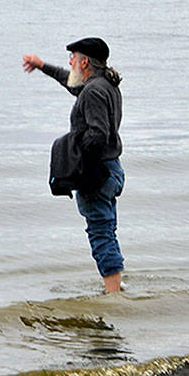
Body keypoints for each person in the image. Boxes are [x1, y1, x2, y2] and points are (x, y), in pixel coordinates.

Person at [21, 37, 125, 293]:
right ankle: (115, 286)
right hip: (111, 169)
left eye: (73, 58)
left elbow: (98, 134)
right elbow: (71, 82)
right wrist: (42, 65)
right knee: (106, 231)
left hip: (97, 174)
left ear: (85, 62)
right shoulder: (104, 85)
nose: (70, 62)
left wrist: (72, 147)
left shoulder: (93, 91)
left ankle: (113, 296)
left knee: (101, 235)